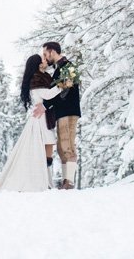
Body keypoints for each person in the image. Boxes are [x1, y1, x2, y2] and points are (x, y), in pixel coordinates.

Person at [0, 54, 68, 192]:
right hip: (40, 120)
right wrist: (62, 85)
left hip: (44, 118)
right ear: (38, 64)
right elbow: (48, 94)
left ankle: (45, 179)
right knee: (44, 145)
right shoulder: (36, 80)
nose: (45, 60)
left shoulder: (42, 77)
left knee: (48, 145)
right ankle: (40, 179)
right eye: (43, 59)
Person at [38, 41, 80, 190]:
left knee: (68, 146)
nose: (45, 57)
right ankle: (65, 182)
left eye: (45, 54)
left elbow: (62, 90)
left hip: (68, 112)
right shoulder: (58, 70)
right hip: (62, 113)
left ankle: (69, 182)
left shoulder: (68, 67)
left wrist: (45, 105)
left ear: (52, 51)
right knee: (62, 148)